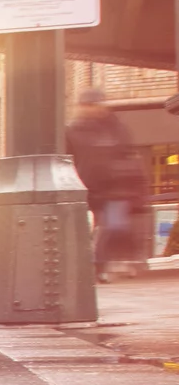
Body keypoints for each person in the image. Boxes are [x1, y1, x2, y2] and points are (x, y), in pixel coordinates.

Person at [67, 87, 151, 281]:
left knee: (112, 226)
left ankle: (103, 267)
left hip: (114, 191)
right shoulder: (72, 130)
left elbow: (128, 156)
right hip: (85, 187)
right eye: (89, 105)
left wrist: (132, 187)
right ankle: (98, 265)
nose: (94, 109)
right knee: (92, 230)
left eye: (96, 105)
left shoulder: (115, 128)